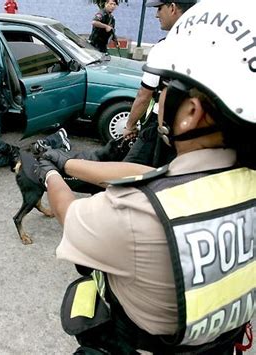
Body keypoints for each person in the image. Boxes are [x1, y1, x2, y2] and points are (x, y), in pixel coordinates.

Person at [37, 0, 255, 352]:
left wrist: (48, 174)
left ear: (191, 113)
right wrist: (67, 163)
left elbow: (71, 213)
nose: (160, 95)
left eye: (166, 87)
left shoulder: (135, 215)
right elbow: (150, 175)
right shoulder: (236, 181)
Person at [122, 0, 196, 166]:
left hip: (162, 124)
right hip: (197, 126)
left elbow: (144, 95)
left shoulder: (165, 48)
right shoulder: (208, 45)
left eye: (159, 8)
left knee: (127, 176)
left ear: (172, 7)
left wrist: (130, 125)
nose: (156, 15)